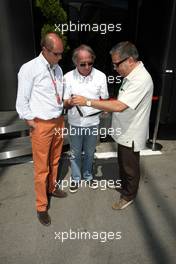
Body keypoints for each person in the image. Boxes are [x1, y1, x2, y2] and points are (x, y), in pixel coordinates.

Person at [71, 41, 153, 209]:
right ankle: (125, 187)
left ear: (129, 60)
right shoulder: (131, 76)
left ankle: (128, 195)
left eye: (117, 64)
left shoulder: (140, 80)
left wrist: (87, 101)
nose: (115, 68)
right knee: (123, 163)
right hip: (124, 130)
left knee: (130, 167)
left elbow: (119, 106)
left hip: (131, 133)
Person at [16, 32, 67, 226]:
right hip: (41, 124)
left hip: (58, 120)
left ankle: (52, 188)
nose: (60, 57)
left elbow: (57, 93)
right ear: (44, 50)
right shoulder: (29, 68)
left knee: (55, 159)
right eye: (56, 53)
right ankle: (41, 206)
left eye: (62, 53)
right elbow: (22, 100)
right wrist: (31, 121)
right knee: (41, 168)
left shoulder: (58, 68)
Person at [63, 44, 109, 193]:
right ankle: (76, 178)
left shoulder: (101, 76)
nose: (87, 66)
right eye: (83, 64)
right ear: (76, 62)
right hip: (75, 122)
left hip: (93, 122)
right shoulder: (67, 77)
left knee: (90, 152)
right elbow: (64, 102)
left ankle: (88, 176)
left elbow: (105, 100)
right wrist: (70, 102)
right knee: (75, 153)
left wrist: (104, 109)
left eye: (90, 62)